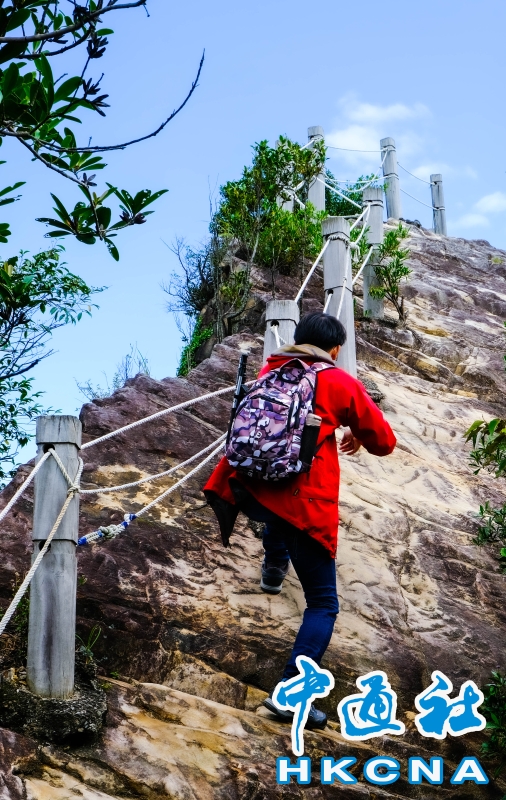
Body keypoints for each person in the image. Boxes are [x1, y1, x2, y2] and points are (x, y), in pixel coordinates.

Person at [204, 312, 396, 729]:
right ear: (335, 350)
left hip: (254, 484)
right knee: (323, 604)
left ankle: (274, 566)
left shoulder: (271, 371)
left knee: (278, 513)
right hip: (304, 498)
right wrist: (354, 427)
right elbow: (384, 442)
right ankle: (290, 696)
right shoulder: (339, 381)